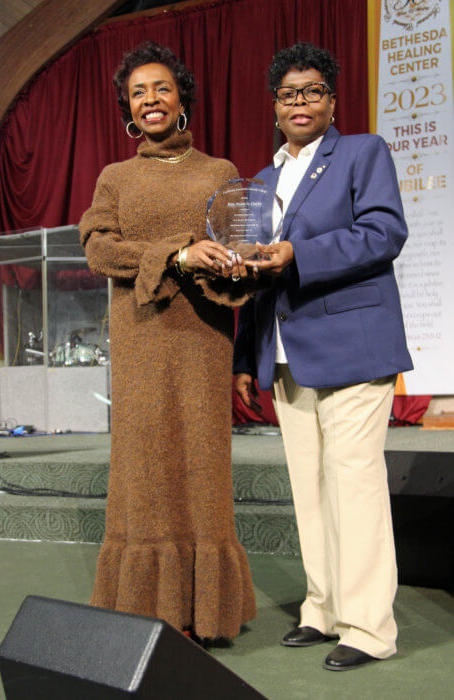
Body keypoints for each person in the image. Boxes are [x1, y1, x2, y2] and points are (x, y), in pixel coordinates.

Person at [234, 42, 413, 670]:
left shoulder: (363, 152)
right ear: (275, 108)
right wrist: (243, 354)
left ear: (332, 101)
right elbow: (256, 270)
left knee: (354, 484)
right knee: (309, 490)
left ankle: (368, 628)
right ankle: (325, 607)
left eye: (312, 91)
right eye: (288, 94)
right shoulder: (257, 182)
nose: (300, 102)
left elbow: (384, 231)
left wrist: (297, 255)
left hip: (353, 345)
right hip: (285, 355)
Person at [79, 41, 256, 641]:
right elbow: (100, 249)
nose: (150, 100)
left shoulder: (220, 172)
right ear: (128, 108)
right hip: (141, 338)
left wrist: (234, 265)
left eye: (160, 88)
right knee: (145, 469)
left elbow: (240, 259)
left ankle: (207, 612)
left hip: (203, 339)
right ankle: (147, 613)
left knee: (201, 469)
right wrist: (176, 254)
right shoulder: (115, 177)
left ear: (182, 97)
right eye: (137, 92)